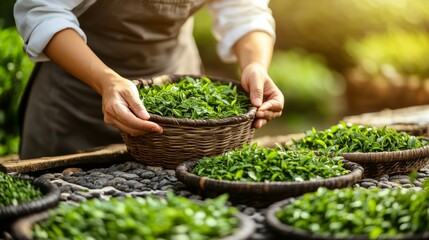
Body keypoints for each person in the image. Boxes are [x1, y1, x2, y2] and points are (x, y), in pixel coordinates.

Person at [14, 0, 284, 159]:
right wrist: (105, 81)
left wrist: (255, 65)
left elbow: (246, 13)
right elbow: (42, 10)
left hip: (176, 86)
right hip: (77, 98)